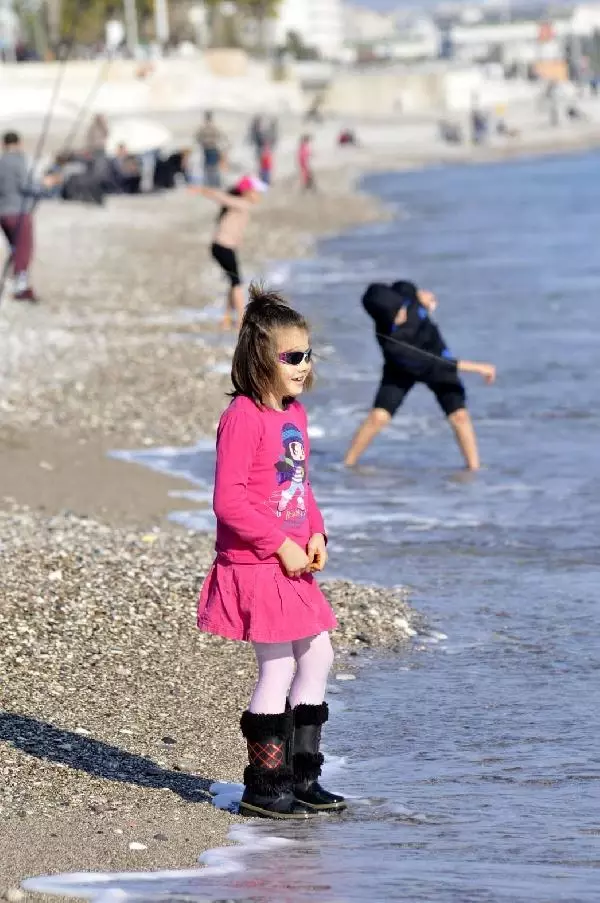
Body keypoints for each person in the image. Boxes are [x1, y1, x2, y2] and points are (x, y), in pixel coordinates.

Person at [197, 285, 346, 819]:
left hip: (292, 560)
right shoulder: (243, 416)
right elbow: (228, 501)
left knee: (319, 654)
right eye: (293, 357)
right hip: (256, 563)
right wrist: (278, 543)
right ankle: (265, 783)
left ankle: (302, 776)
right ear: (262, 358)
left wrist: (316, 534)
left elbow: (300, 488)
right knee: (278, 666)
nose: (304, 366)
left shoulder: (294, 414)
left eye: (309, 354)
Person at [344, 280, 496, 471]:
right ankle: (347, 464)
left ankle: (474, 469)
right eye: (396, 314)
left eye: (401, 308)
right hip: (406, 368)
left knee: (460, 417)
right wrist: (479, 368)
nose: (403, 313)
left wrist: (424, 298)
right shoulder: (393, 345)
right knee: (378, 417)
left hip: (436, 351)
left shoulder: (404, 295)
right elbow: (435, 363)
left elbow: (407, 287)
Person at [189, 175, 268, 330]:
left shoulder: (243, 204)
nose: (259, 195)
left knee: (233, 283)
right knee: (237, 283)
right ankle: (241, 319)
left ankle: (226, 318)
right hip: (222, 247)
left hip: (225, 248)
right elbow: (221, 197)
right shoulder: (241, 204)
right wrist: (201, 190)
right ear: (246, 192)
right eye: (256, 192)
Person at [0, 130, 58, 302]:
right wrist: (45, 185)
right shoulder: (19, 161)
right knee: (24, 250)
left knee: (15, 249)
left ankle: (14, 284)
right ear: (19, 143)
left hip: (2, 214)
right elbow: (26, 186)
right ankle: (21, 288)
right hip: (18, 213)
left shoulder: (1, 162)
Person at [196, 111, 227, 188]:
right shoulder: (214, 127)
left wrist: (204, 143)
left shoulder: (203, 127)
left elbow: (198, 138)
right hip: (213, 148)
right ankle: (215, 184)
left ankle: (209, 184)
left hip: (207, 149)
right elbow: (220, 137)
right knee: (214, 167)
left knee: (208, 168)